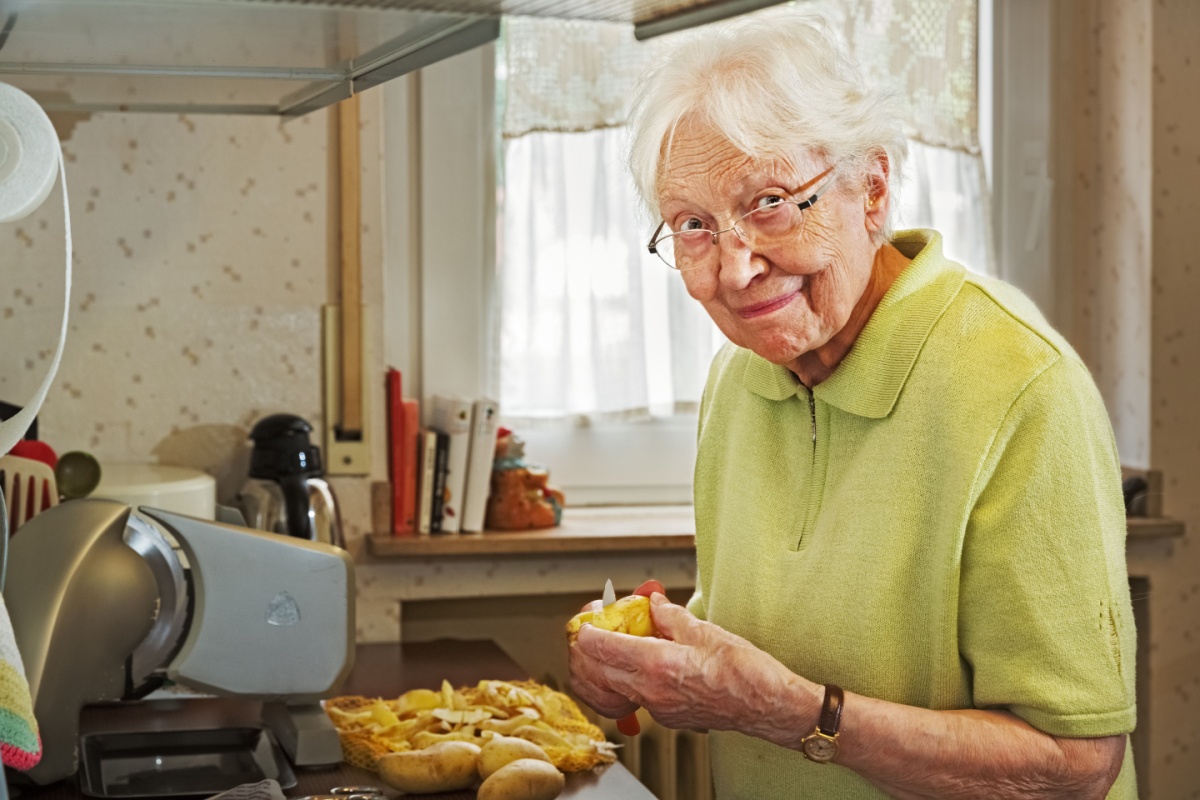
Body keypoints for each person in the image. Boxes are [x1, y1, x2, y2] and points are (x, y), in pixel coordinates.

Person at [566, 11, 1136, 799]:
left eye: (769, 202)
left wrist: (793, 714)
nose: (735, 270)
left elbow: (1076, 766)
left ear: (870, 188)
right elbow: (759, 649)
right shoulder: (739, 381)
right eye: (693, 225)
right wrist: (649, 666)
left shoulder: (1023, 387)